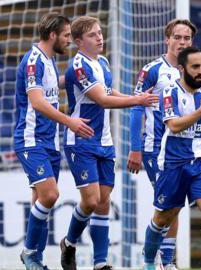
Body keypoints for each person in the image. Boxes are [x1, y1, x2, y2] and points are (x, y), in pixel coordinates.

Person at [59, 16, 159, 270]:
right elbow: (102, 99)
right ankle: (69, 243)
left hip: (104, 140)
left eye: (101, 32)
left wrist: (136, 96)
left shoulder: (101, 62)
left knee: (103, 202)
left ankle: (100, 263)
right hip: (81, 140)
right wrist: (137, 102)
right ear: (79, 41)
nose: (100, 37)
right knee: (91, 200)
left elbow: (110, 92)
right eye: (93, 35)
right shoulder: (79, 66)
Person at [14, 13, 95, 270]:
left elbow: (50, 90)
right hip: (31, 139)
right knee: (50, 196)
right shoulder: (33, 61)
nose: (69, 41)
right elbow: (37, 102)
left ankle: (35, 260)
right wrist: (69, 121)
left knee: (41, 201)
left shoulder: (48, 61)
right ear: (53, 35)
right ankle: (29, 253)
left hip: (49, 141)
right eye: (67, 35)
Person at [127, 19, 201, 270]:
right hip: (155, 147)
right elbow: (136, 107)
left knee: (173, 206)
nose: (182, 42)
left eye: (187, 38)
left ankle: (164, 261)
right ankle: (157, 260)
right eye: (177, 37)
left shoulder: (193, 70)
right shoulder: (152, 70)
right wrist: (135, 147)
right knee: (169, 205)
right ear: (167, 39)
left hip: (183, 150)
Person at [141, 46, 201, 270]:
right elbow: (174, 125)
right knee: (163, 218)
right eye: (195, 67)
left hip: (199, 163)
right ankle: (149, 261)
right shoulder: (169, 93)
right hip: (173, 163)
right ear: (182, 69)